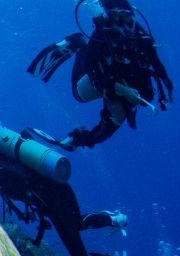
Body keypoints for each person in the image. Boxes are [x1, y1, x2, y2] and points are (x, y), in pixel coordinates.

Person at [28, 0, 172, 150]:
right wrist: (121, 89)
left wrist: (167, 83)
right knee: (80, 94)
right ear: (110, 16)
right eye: (117, 17)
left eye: (127, 16)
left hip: (124, 83)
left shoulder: (140, 36)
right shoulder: (102, 34)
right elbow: (92, 71)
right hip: (102, 75)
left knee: (114, 121)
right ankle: (78, 43)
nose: (123, 23)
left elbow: (154, 62)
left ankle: (80, 138)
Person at [0, 138, 126, 256]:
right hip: (61, 189)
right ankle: (112, 230)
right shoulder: (18, 161)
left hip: (53, 202)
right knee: (78, 226)